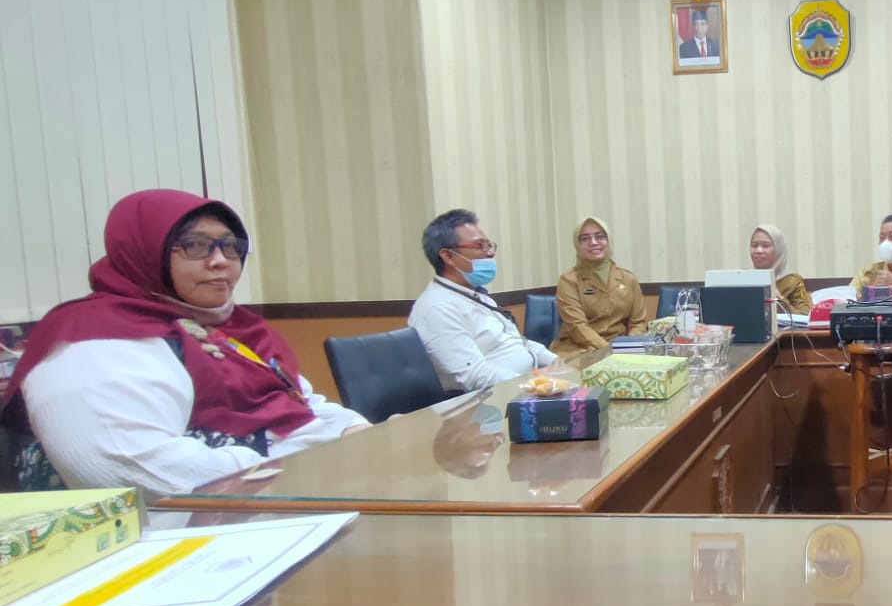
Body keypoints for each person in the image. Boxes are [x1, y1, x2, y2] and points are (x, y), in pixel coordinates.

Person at [1, 189, 368, 494]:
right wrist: (297, 463)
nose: (220, 261)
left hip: (281, 499)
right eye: (195, 246)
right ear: (145, 251)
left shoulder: (227, 328)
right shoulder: (91, 341)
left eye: (230, 246)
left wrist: (355, 433)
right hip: (172, 536)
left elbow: (300, 402)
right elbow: (127, 470)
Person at [409, 209, 557, 392]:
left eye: (489, 245)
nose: (490, 253)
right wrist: (534, 385)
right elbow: (474, 376)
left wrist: (557, 363)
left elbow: (518, 342)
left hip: (523, 388)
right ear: (448, 256)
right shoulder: (438, 308)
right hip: (490, 400)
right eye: (479, 246)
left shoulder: (476, 295)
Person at [550, 217, 648, 356]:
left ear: (608, 241)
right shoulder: (568, 280)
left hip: (621, 347)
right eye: (585, 238)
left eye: (600, 236)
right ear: (577, 245)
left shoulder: (628, 278)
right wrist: (609, 350)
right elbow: (577, 326)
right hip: (579, 349)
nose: (594, 242)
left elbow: (638, 322)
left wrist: (629, 346)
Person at [749, 225, 811, 314]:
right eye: (754, 245)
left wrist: (778, 299)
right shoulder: (744, 279)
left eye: (765, 246)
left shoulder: (792, 281)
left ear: (778, 250)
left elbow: (805, 315)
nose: (758, 250)